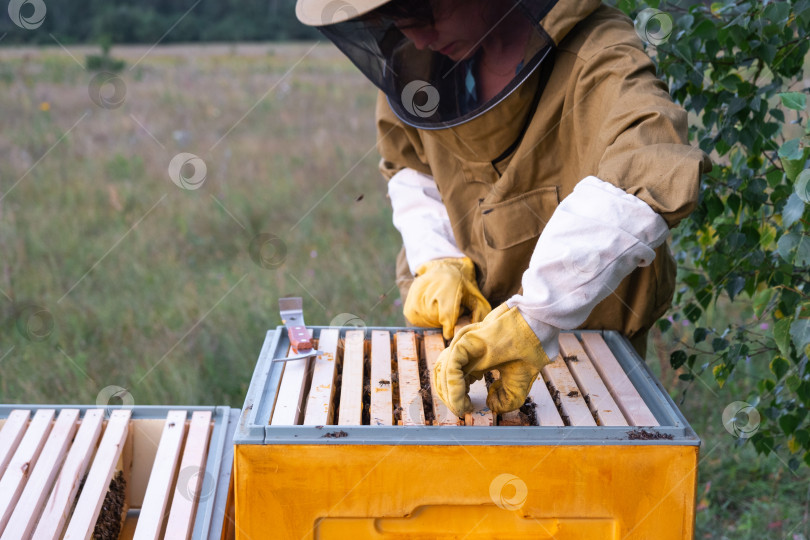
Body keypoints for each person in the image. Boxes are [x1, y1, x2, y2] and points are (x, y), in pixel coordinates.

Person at [295, 0, 711, 417]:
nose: (418, 37)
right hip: (457, 348)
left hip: (590, 362)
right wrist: (437, 259)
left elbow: (650, 162)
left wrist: (536, 318)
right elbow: (411, 166)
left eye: (425, 15)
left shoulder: (598, 51)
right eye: (399, 24)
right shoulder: (417, 65)